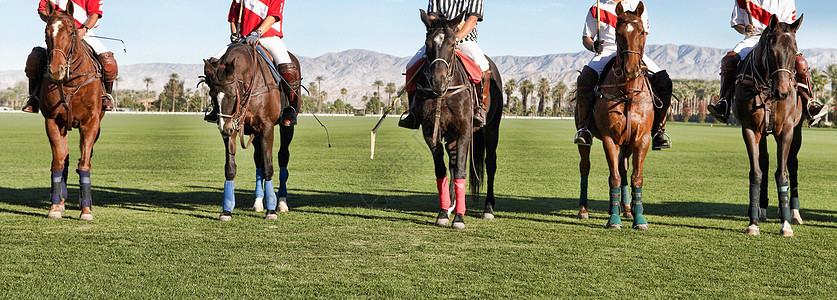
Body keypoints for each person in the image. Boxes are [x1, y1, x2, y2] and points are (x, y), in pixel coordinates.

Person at [574, 0, 673, 150]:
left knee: (665, 81)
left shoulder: (638, 6)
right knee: (585, 78)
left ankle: (659, 131)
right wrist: (593, 45)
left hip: (632, 51)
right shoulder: (597, 8)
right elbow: (586, 38)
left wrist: (636, 54)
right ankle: (585, 128)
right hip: (606, 52)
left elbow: (642, 34)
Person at [708, 0, 823, 123]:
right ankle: (724, 103)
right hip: (753, 38)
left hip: (778, 38)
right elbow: (737, 23)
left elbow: (790, 25)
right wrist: (745, 29)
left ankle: (809, 104)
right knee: (728, 61)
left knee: (801, 63)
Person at [204, 0, 301, 126]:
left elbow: (273, 16)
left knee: (288, 70)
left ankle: (291, 108)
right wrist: (234, 34)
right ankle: (217, 108)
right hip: (243, 39)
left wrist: (257, 33)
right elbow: (233, 18)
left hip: (268, 37)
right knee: (214, 64)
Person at [398, 0, 490, 129]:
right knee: (410, 66)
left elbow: (473, 19)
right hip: (440, 40)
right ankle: (413, 113)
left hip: (464, 40)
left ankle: (481, 108)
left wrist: (455, 38)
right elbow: (432, 16)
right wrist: (442, 35)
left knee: (483, 65)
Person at [23, 0, 118, 113]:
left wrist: (84, 29)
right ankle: (34, 99)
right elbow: (42, 10)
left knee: (109, 62)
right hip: (59, 34)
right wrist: (54, 20)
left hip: (84, 33)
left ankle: (105, 96)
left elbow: (95, 14)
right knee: (34, 59)